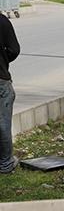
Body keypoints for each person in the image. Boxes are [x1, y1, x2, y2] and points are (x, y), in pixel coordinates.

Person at [0, 14, 20, 174]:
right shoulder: (2, 21)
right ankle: (6, 164)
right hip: (0, 79)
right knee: (3, 123)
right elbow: (14, 49)